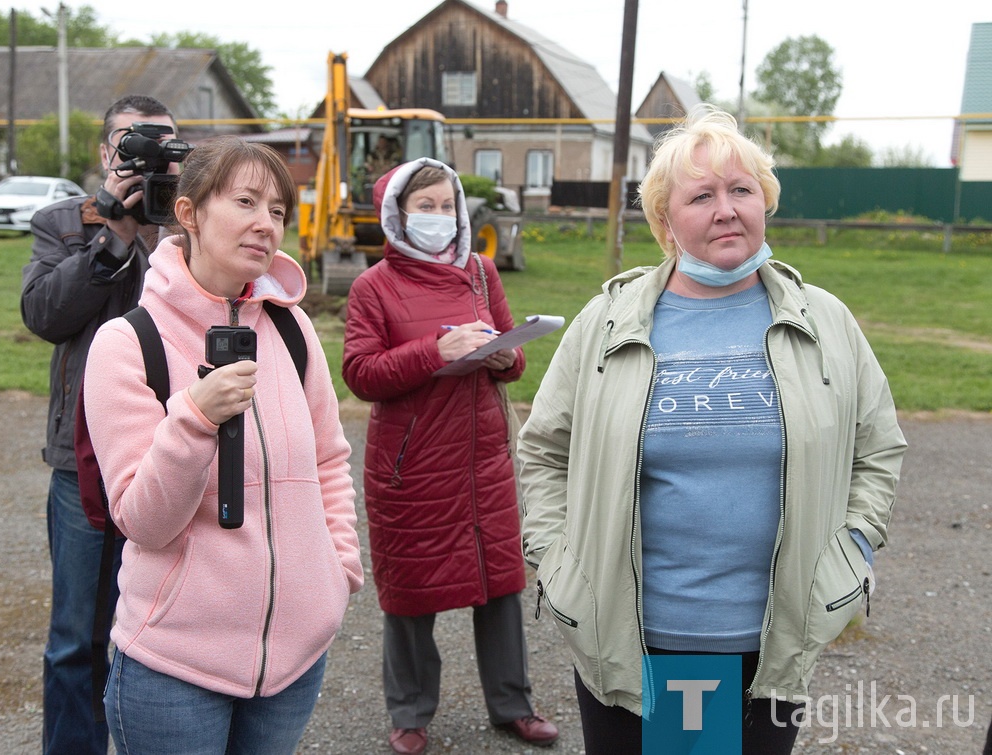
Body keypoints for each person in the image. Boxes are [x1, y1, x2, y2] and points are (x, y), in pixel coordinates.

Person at [516, 104, 907, 755]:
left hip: (771, 641)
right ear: (666, 222)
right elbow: (544, 450)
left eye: (741, 190)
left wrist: (854, 546)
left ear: (765, 203)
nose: (726, 209)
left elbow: (878, 446)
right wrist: (558, 560)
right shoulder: (607, 322)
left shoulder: (826, 321)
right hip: (638, 636)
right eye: (702, 196)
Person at [81, 136, 363, 753]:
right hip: (174, 669)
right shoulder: (127, 344)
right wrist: (193, 420)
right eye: (245, 202)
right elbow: (142, 521)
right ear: (189, 213)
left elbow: (329, 461)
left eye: (278, 210)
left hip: (294, 663)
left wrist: (336, 571)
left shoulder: (292, 327)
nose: (266, 223)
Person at [342, 157, 559, 755]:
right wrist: (435, 351)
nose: (439, 218)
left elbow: (514, 357)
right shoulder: (372, 286)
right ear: (397, 215)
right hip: (411, 464)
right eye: (425, 207)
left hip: (482, 456)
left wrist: (501, 358)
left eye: (446, 206)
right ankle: (410, 714)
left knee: (499, 584)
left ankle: (513, 705)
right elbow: (361, 374)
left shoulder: (482, 273)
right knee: (412, 589)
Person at [20, 93, 178, 755]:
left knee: (162, 629)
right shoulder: (65, 220)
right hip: (79, 454)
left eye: (162, 146)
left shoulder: (188, 224)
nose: (145, 159)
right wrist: (111, 232)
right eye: (131, 144)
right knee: (75, 636)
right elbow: (44, 315)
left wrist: (168, 229)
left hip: (171, 450)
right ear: (105, 153)